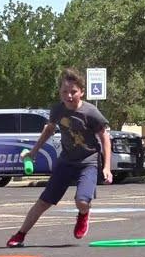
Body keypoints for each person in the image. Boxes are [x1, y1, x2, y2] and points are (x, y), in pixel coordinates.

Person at [6, 68, 113, 247]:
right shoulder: (57, 110)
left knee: (81, 201)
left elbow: (105, 138)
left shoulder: (91, 112)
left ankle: (83, 214)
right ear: (60, 93)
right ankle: (20, 234)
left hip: (88, 162)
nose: (69, 96)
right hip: (66, 161)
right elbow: (49, 129)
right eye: (65, 92)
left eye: (73, 92)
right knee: (44, 201)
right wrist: (33, 152)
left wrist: (107, 167)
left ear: (81, 92)